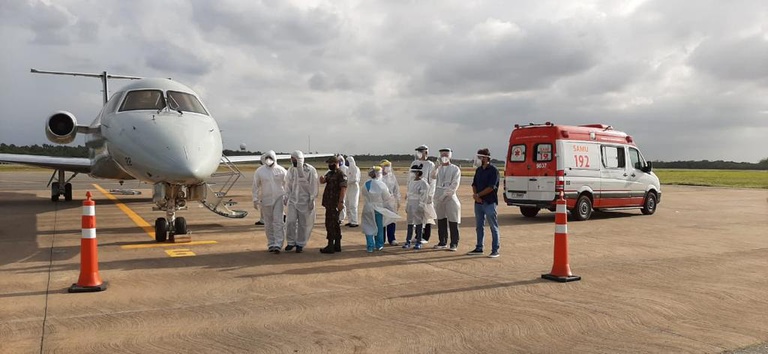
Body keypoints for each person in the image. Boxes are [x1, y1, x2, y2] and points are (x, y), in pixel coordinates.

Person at [252, 150, 287, 254]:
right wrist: (255, 198)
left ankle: (278, 244)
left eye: (270, 158)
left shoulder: (281, 170)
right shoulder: (260, 171)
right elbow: (255, 185)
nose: (268, 160)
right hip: (266, 199)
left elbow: (288, 184)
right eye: (267, 158)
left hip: (279, 198)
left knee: (278, 221)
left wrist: (287, 196)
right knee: (268, 223)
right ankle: (271, 243)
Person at [468, 148, 500, 258]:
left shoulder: (493, 170)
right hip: (479, 203)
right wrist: (476, 196)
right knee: (479, 226)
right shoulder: (479, 170)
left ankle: (495, 249)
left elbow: (491, 187)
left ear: (486, 158)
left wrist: (479, 195)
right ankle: (479, 247)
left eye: (480, 157)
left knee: (493, 226)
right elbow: (474, 184)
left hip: (489, 202)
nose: (478, 159)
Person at [284, 150, 318, 253]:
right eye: (291, 158)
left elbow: (313, 185)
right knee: (290, 221)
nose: (292, 160)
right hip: (293, 201)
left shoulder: (310, 170)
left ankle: (300, 243)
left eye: (294, 159)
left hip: (305, 201)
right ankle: (290, 242)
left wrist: (312, 198)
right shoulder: (291, 170)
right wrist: (286, 195)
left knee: (304, 224)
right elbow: (288, 184)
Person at [361, 166, 401, 252]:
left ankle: (370, 246)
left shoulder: (365, 184)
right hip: (378, 208)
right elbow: (386, 196)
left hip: (367, 207)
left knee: (368, 226)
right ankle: (379, 245)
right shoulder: (381, 184)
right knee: (379, 227)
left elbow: (363, 194)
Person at [432, 148, 461, 251]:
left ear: (450, 156)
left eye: (446, 155)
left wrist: (445, 195)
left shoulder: (455, 169)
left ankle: (454, 243)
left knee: (453, 220)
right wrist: (435, 167)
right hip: (438, 197)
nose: (444, 157)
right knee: (441, 219)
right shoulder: (438, 168)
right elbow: (432, 177)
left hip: (450, 197)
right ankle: (442, 241)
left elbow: (454, 185)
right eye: (442, 155)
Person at [319, 155, 347, 253]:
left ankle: (331, 245)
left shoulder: (341, 174)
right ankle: (336, 245)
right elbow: (323, 181)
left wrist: (341, 202)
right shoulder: (330, 173)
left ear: (336, 163)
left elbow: (343, 189)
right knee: (333, 223)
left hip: (335, 203)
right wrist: (322, 179)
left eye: (331, 164)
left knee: (332, 224)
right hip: (329, 203)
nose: (329, 165)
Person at [409, 145, 436, 243]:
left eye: (421, 151)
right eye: (418, 151)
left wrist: (430, 195)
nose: (419, 153)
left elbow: (432, 181)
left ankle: (425, 236)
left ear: (426, 153)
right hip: (415, 193)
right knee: (417, 214)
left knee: (426, 214)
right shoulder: (414, 163)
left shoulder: (430, 164)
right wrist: (409, 192)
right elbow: (410, 178)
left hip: (426, 192)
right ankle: (417, 235)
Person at [403, 164, 431, 250]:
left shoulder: (423, 183)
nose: (412, 174)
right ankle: (408, 240)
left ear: (418, 173)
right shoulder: (411, 182)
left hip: (418, 204)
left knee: (419, 223)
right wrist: (407, 204)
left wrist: (421, 205)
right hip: (411, 203)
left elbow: (424, 195)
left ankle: (419, 241)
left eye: (413, 172)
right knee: (410, 223)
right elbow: (409, 193)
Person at [379, 159, 401, 245]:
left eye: (388, 166)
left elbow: (396, 189)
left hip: (391, 201)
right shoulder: (379, 177)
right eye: (385, 166)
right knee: (382, 221)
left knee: (391, 219)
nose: (387, 168)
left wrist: (398, 200)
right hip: (381, 201)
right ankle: (381, 239)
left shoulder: (392, 177)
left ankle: (392, 238)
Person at [344, 156, 361, 227]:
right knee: (347, 204)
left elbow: (355, 179)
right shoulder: (348, 170)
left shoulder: (356, 169)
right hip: (348, 188)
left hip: (354, 188)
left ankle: (355, 221)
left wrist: (347, 181)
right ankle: (350, 220)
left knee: (353, 205)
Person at [336, 155, 349, 224]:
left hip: (343, 188)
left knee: (342, 201)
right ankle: (337, 217)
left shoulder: (346, 168)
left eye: (340, 160)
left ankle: (341, 218)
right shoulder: (336, 169)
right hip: (336, 189)